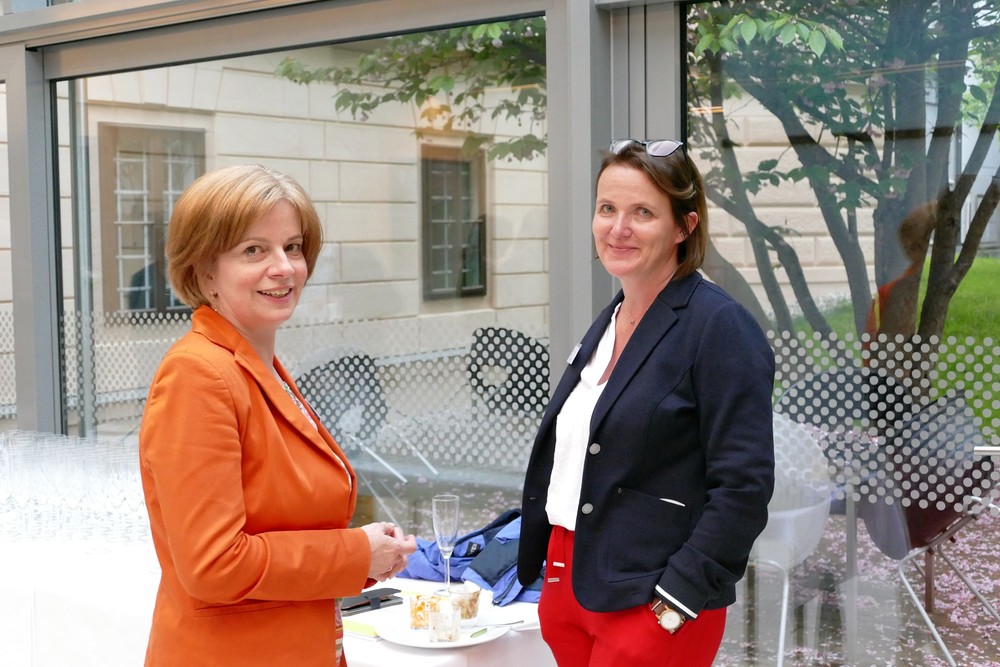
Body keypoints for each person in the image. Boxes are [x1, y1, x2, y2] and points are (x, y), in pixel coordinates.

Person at [138, 164, 416, 667]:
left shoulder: (255, 365)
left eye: (292, 247)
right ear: (204, 271)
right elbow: (214, 565)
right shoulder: (198, 375)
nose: (284, 267)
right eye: (254, 250)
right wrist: (356, 553)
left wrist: (366, 555)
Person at [517, 139, 775, 666]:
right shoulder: (611, 319)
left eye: (643, 213)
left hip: (651, 600)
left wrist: (679, 597)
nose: (618, 228)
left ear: (684, 226)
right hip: (571, 583)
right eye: (607, 208)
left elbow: (743, 486)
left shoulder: (719, 327)